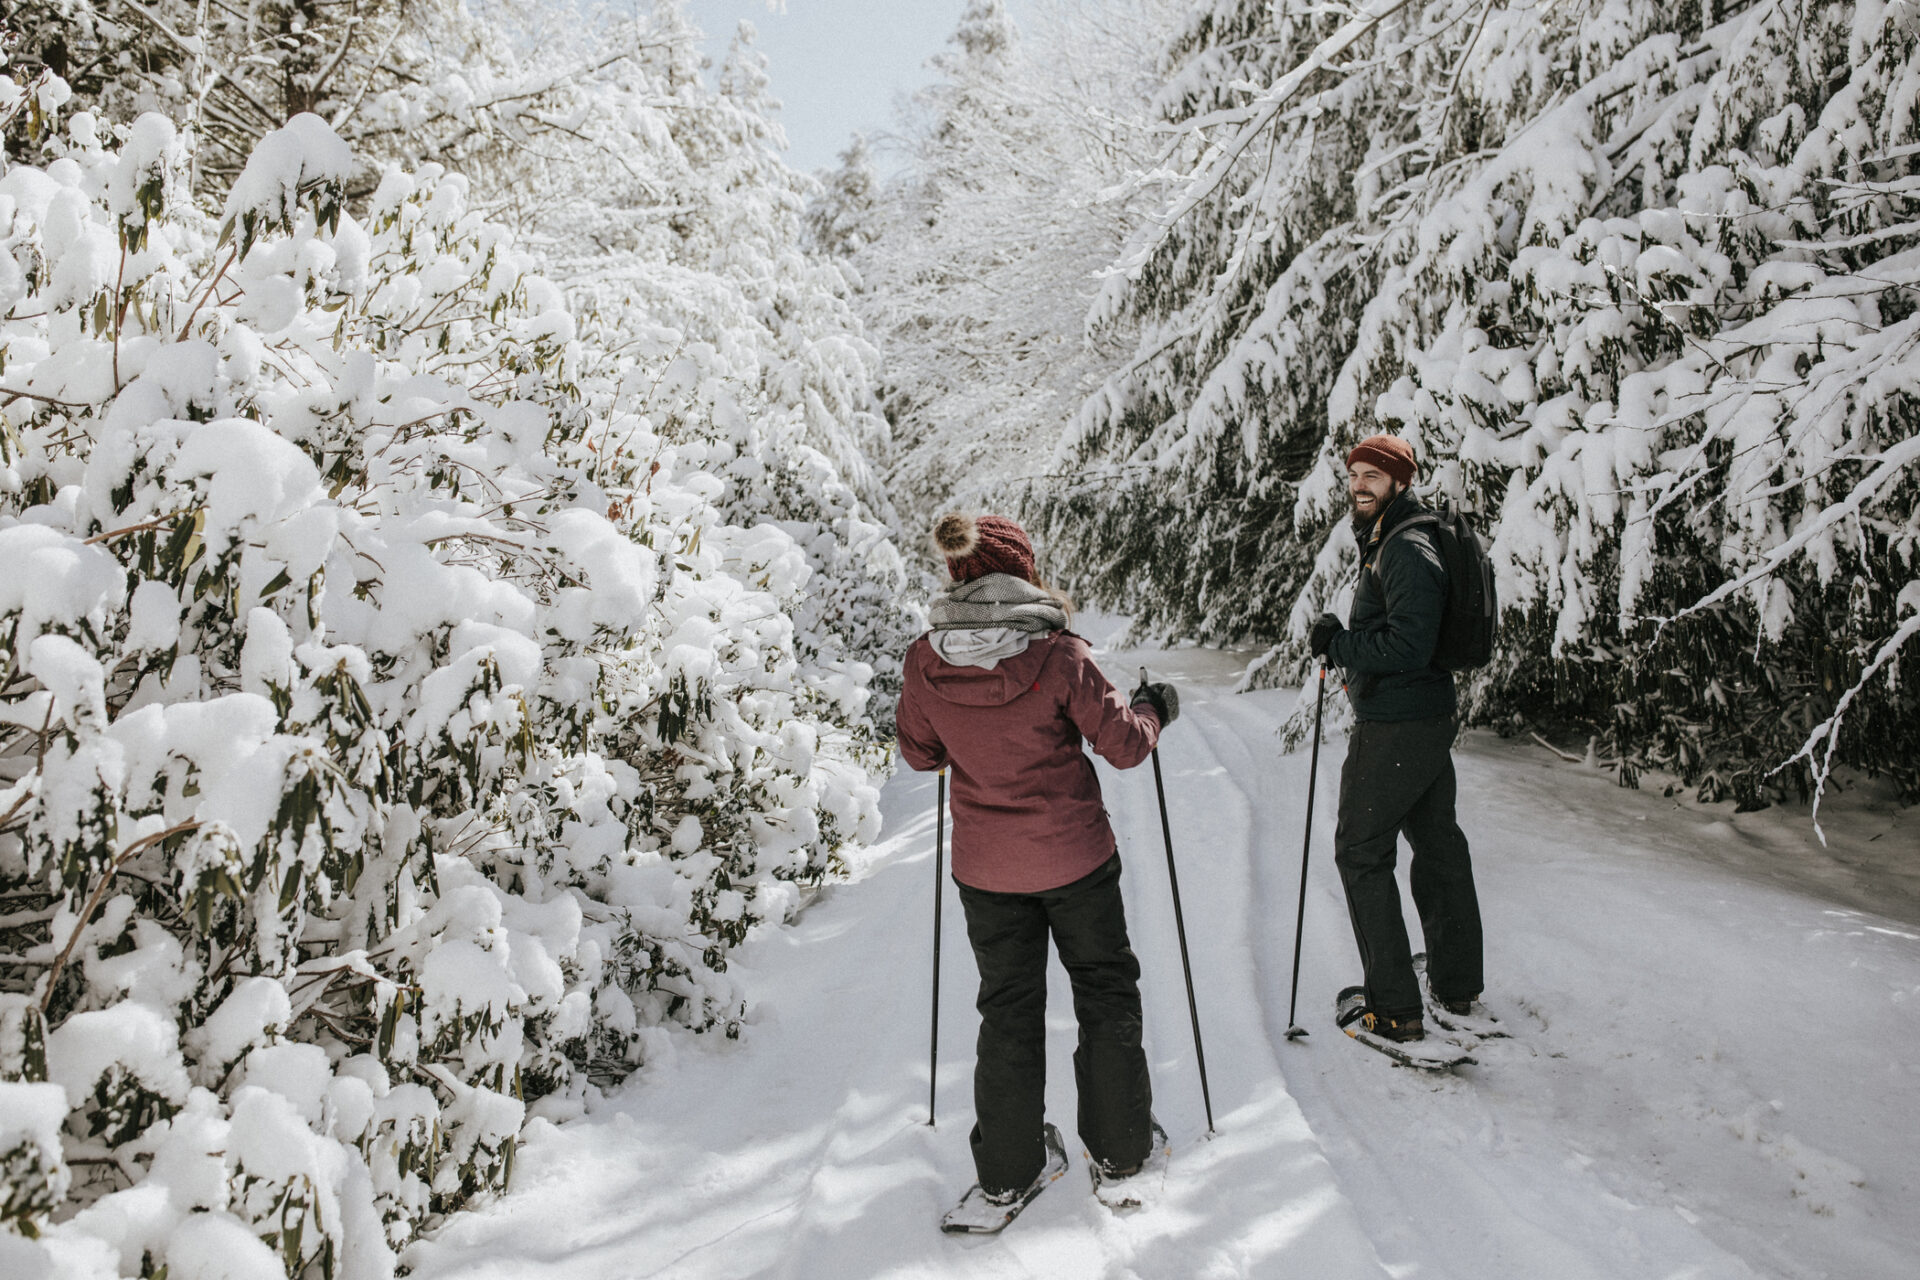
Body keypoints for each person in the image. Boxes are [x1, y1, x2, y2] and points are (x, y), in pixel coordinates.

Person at [896, 511, 1179, 1204]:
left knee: (1009, 1009)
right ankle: (1120, 1149)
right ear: (1021, 570)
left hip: (987, 872)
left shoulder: (924, 661)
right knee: (1105, 991)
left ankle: (1007, 1171)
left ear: (958, 572)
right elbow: (1125, 746)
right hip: (1077, 862)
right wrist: (1152, 707)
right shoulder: (1059, 655)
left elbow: (918, 753)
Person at [1308, 434, 1484, 1043]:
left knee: (1360, 851)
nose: (1359, 484)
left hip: (1398, 723)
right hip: (1426, 717)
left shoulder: (1405, 546)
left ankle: (1395, 1011)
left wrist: (1337, 644)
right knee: (1437, 844)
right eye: (1354, 473)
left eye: (1372, 476)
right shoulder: (1407, 535)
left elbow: (1408, 644)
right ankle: (1457, 987)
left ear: (1400, 483)